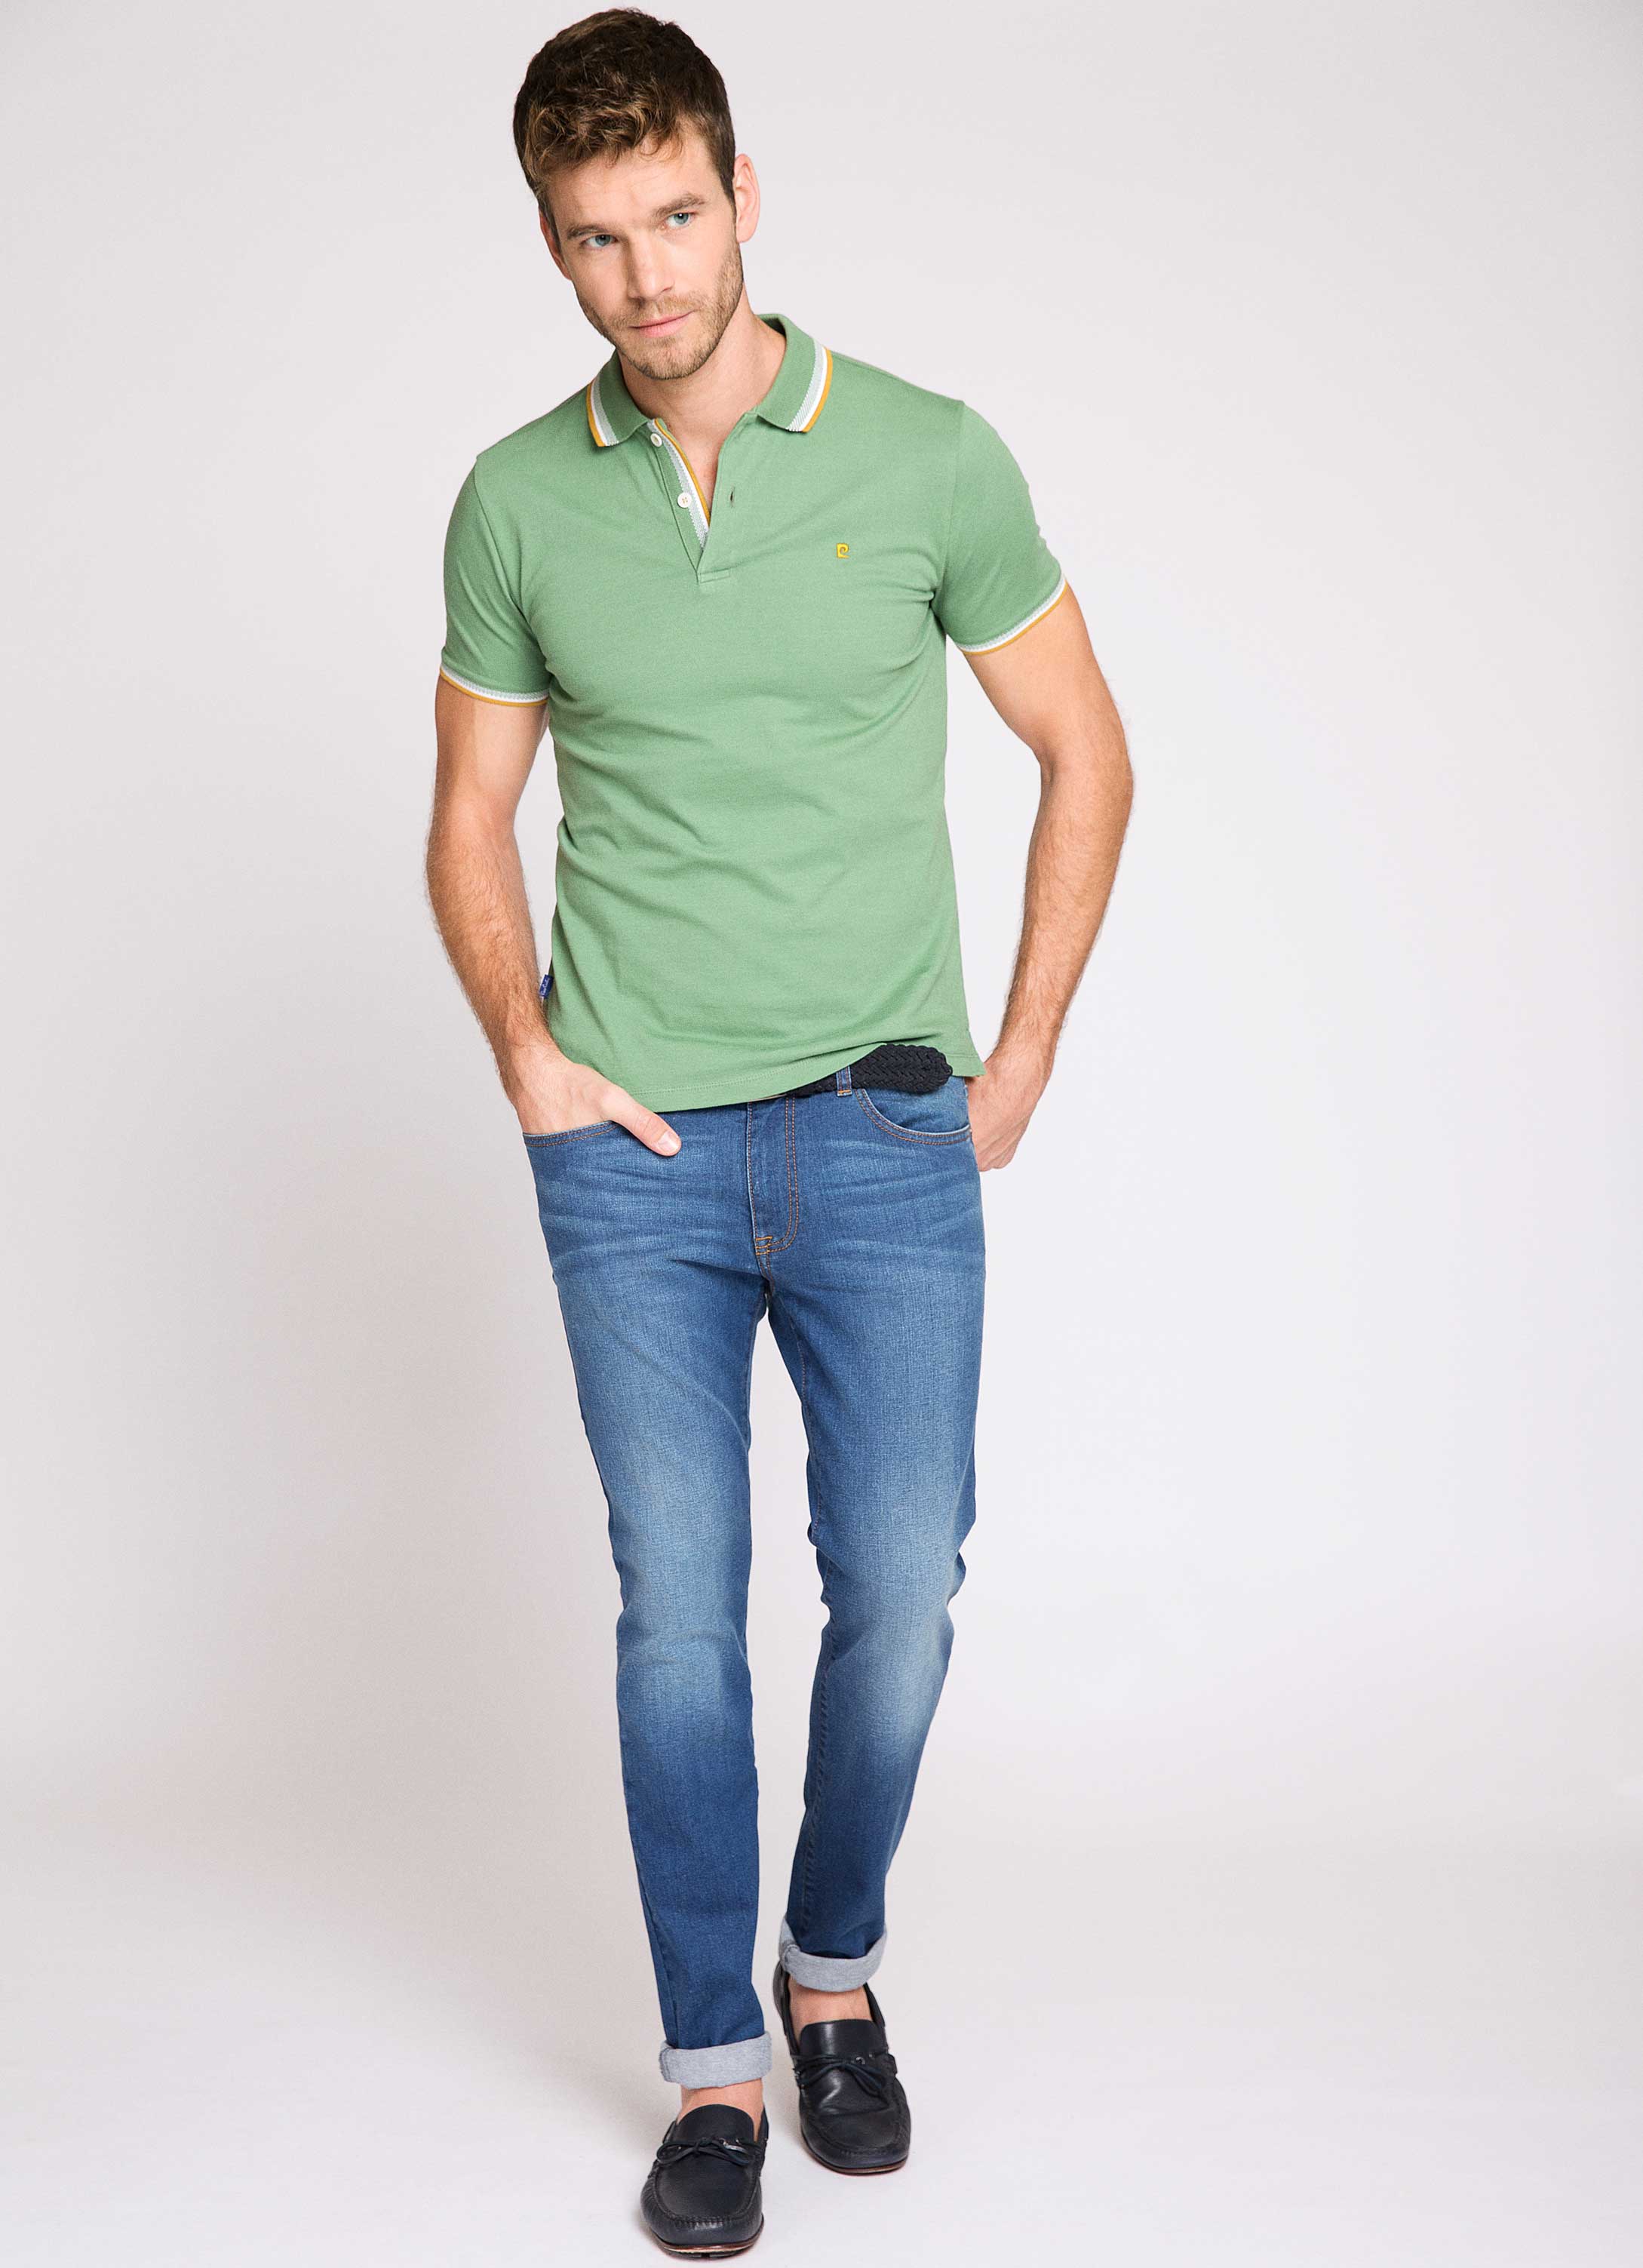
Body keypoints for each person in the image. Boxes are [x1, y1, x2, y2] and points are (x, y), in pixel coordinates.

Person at [425, 9, 1132, 2253]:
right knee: (677, 1618)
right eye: (592, 238)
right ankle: (712, 2074)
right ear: (549, 246)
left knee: (902, 1594)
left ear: (743, 195)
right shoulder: (516, 500)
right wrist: (526, 1053)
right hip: (632, 1155)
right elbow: (467, 812)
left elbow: (1087, 750)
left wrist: (1019, 1060)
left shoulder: (926, 456)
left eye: (672, 217)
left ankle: (831, 1978)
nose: (643, 277)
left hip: (885, 1132)